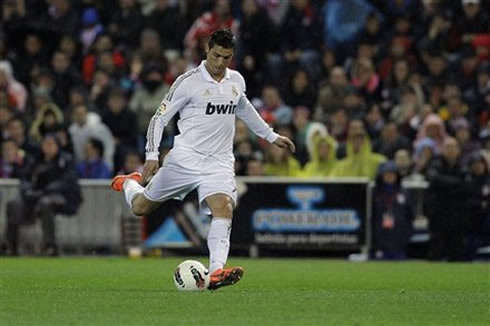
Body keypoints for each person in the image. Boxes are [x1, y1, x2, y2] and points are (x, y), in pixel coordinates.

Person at [110, 30, 295, 290]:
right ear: (207, 49)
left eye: (227, 58)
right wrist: (151, 154)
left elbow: (243, 108)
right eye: (217, 56)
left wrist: (271, 135)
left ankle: (217, 272)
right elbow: (159, 118)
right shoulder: (188, 82)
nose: (221, 63)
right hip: (185, 159)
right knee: (141, 207)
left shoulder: (236, 80)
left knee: (224, 208)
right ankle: (130, 183)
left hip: (218, 162)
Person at [0, 134, 82, 256]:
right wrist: (28, 190)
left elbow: (68, 182)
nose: (47, 147)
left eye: (51, 144)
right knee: (14, 204)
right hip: (36, 196)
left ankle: (50, 246)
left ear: (57, 146)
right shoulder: (36, 160)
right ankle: (11, 245)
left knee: (46, 203)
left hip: (62, 198)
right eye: (45, 144)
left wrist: (47, 190)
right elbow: (25, 178)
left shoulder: (65, 161)